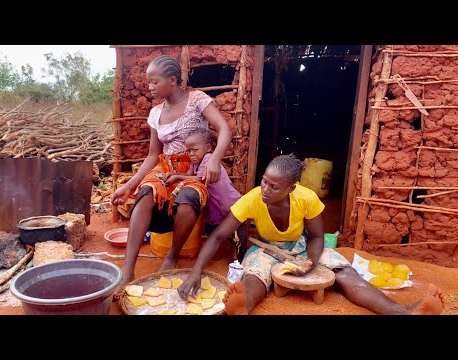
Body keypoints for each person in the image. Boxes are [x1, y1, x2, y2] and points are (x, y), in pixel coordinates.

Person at [178, 154, 445, 315]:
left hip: (302, 247)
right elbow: (215, 237)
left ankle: (403, 311)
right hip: (265, 248)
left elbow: (317, 237)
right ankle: (242, 305)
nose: (265, 189)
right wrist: (195, 272)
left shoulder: (307, 198)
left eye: (274, 186)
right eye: (264, 181)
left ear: (291, 189)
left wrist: (311, 263)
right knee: (255, 275)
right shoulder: (251, 200)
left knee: (344, 271)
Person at [110, 55, 232, 296]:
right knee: (145, 195)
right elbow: (153, 155)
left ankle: (172, 256)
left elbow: (224, 128)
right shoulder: (155, 113)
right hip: (164, 168)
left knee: (188, 199)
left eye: (155, 82)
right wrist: (129, 185)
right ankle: (128, 269)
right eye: (148, 82)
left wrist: (215, 159)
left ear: (173, 80)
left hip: (192, 169)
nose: (150, 87)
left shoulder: (197, 100)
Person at [163, 128, 248, 261]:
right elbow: (188, 175)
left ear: (208, 147)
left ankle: (238, 259)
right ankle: (220, 251)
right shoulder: (195, 163)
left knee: (236, 235)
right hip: (216, 208)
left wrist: (177, 178)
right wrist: (172, 174)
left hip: (230, 205)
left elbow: (201, 179)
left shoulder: (209, 159)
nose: (191, 154)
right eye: (188, 150)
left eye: (194, 150)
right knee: (212, 231)